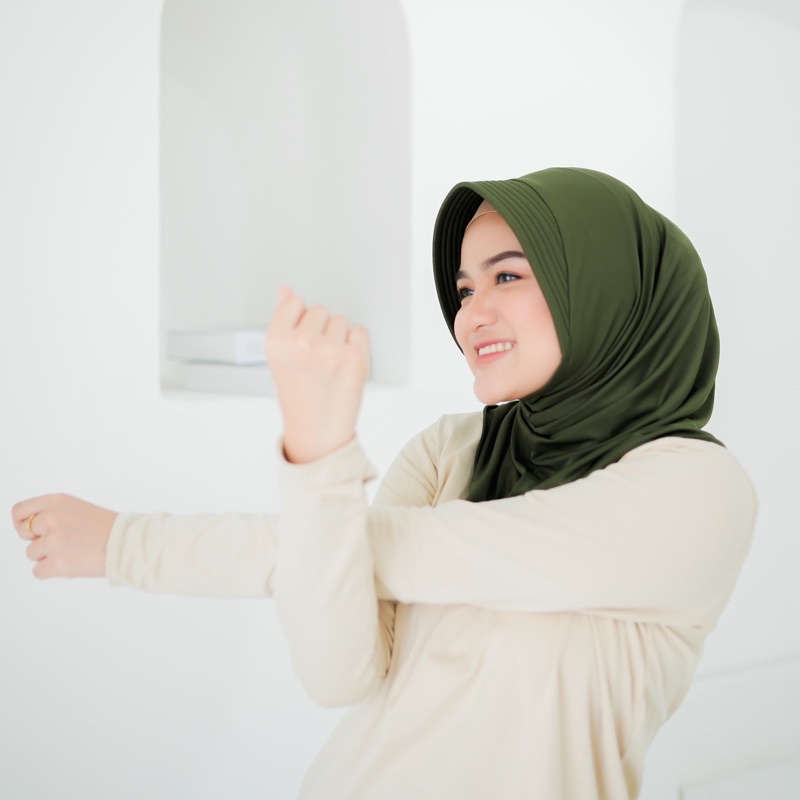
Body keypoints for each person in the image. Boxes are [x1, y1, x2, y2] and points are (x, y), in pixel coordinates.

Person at [12, 167, 756, 799]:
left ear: (603, 286)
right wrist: (317, 450)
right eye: (463, 288)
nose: (471, 314)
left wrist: (128, 544)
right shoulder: (449, 450)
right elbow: (339, 673)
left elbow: (403, 551)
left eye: (507, 275)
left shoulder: (696, 488)